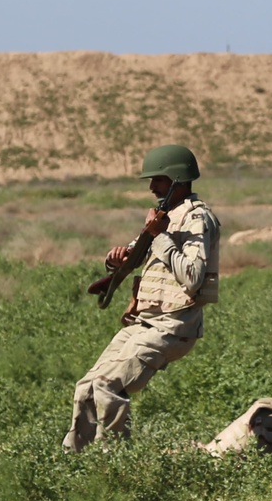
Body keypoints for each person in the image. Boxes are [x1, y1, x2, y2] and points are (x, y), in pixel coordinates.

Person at [64, 144, 220, 450]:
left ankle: (116, 464)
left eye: (158, 181)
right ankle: (76, 462)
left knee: (108, 386)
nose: (151, 188)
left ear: (177, 179)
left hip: (173, 326)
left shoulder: (198, 220)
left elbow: (192, 277)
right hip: (144, 322)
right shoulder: (164, 216)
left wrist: (159, 236)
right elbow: (136, 253)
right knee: (86, 387)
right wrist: (116, 260)